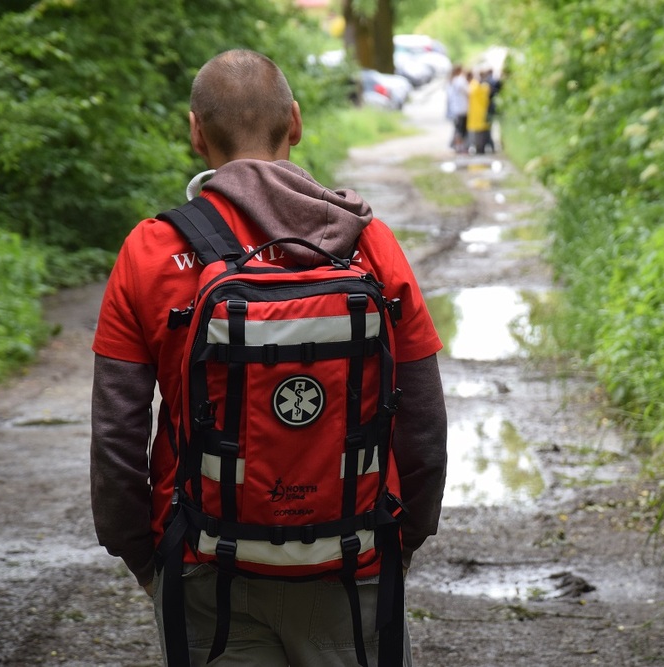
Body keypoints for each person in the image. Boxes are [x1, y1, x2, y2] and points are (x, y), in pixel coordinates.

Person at [90, 49, 448, 666]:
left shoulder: (151, 251)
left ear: (196, 131)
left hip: (205, 565)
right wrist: (399, 541)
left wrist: (146, 559)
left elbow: (116, 435)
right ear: (297, 122)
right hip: (353, 561)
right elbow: (423, 420)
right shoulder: (369, 244)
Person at [466, 70, 492, 154]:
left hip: (475, 113)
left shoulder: (474, 86)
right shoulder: (484, 88)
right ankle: (482, 148)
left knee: (477, 134)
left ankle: (478, 148)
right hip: (482, 112)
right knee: (482, 133)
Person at [445, 65, 469, 154]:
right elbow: (468, 92)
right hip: (462, 108)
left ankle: (457, 146)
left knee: (457, 128)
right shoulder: (460, 80)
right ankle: (460, 146)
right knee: (461, 129)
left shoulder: (452, 81)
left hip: (455, 108)